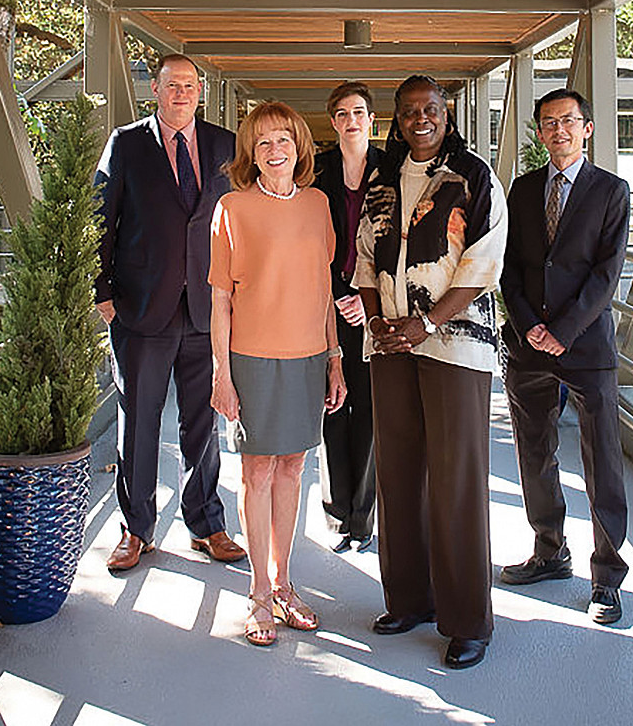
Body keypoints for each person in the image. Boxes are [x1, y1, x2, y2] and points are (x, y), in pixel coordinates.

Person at [353, 75, 507, 670]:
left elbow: (483, 261)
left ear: (447, 114)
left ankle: (468, 620)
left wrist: (427, 323)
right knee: (397, 473)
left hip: (455, 343)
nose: (422, 117)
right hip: (389, 342)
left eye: (433, 109)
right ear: (396, 118)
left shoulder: (473, 175)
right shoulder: (379, 178)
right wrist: (377, 323)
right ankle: (409, 600)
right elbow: (365, 256)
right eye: (411, 110)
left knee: (456, 479)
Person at [95, 53, 247, 572]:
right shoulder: (127, 143)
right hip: (141, 309)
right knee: (137, 422)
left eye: (190, 84)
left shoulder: (225, 144)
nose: (182, 93)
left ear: (200, 91)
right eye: (172, 84)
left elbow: (244, 221)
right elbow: (100, 220)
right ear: (154, 90)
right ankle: (136, 529)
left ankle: (206, 524)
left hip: (209, 309)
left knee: (203, 421)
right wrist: (102, 293)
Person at [209, 101, 346, 647]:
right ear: (251, 152)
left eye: (283, 140)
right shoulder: (232, 208)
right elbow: (220, 300)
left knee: (293, 469)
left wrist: (335, 359)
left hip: (309, 356)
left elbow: (324, 289)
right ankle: (259, 594)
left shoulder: (317, 204)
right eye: (262, 142)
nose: (273, 150)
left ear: (299, 147)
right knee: (257, 473)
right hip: (253, 359)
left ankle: (285, 583)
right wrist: (222, 373)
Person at [498, 88, 631, 625]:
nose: (559, 130)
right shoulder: (523, 190)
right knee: (535, 452)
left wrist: (564, 331)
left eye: (569, 122)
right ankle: (549, 551)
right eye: (548, 123)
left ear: (587, 129)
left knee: (603, 462)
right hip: (529, 345)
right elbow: (507, 266)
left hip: (587, 346)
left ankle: (608, 577)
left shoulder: (610, 191)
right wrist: (530, 325)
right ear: (538, 132)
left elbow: (607, 273)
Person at [313, 82, 382, 554]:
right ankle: (338, 514)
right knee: (334, 410)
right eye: (342, 113)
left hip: (378, 307)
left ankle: (364, 516)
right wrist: (339, 294)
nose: (351, 120)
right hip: (327, 307)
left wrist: (365, 295)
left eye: (359, 112)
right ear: (333, 123)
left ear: (371, 120)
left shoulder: (392, 170)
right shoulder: (316, 174)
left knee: (372, 414)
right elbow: (307, 241)